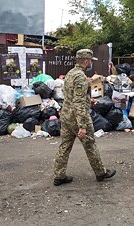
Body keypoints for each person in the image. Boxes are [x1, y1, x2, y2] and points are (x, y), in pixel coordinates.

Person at [53, 49, 116, 186]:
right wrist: (82, 125)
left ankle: (59, 175)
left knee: (64, 146)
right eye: (91, 61)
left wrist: (88, 100)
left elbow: (70, 94)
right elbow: (78, 102)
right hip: (77, 117)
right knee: (90, 145)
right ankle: (100, 173)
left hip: (66, 116)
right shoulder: (80, 77)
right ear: (86, 61)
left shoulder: (70, 73)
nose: (91, 64)